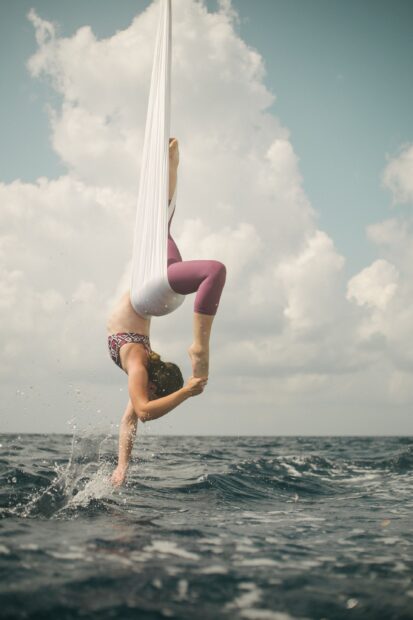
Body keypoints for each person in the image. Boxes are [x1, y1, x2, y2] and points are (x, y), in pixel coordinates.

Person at [107, 138, 226, 486]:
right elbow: (133, 419)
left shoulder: (137, 367)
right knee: (162, 220)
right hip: (153, 293)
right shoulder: (140, 364)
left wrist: (187, 391)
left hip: (152, 292)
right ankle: (172, 165)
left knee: (213, 269)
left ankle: (199, 345)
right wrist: (121, 465)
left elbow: (140, 414)